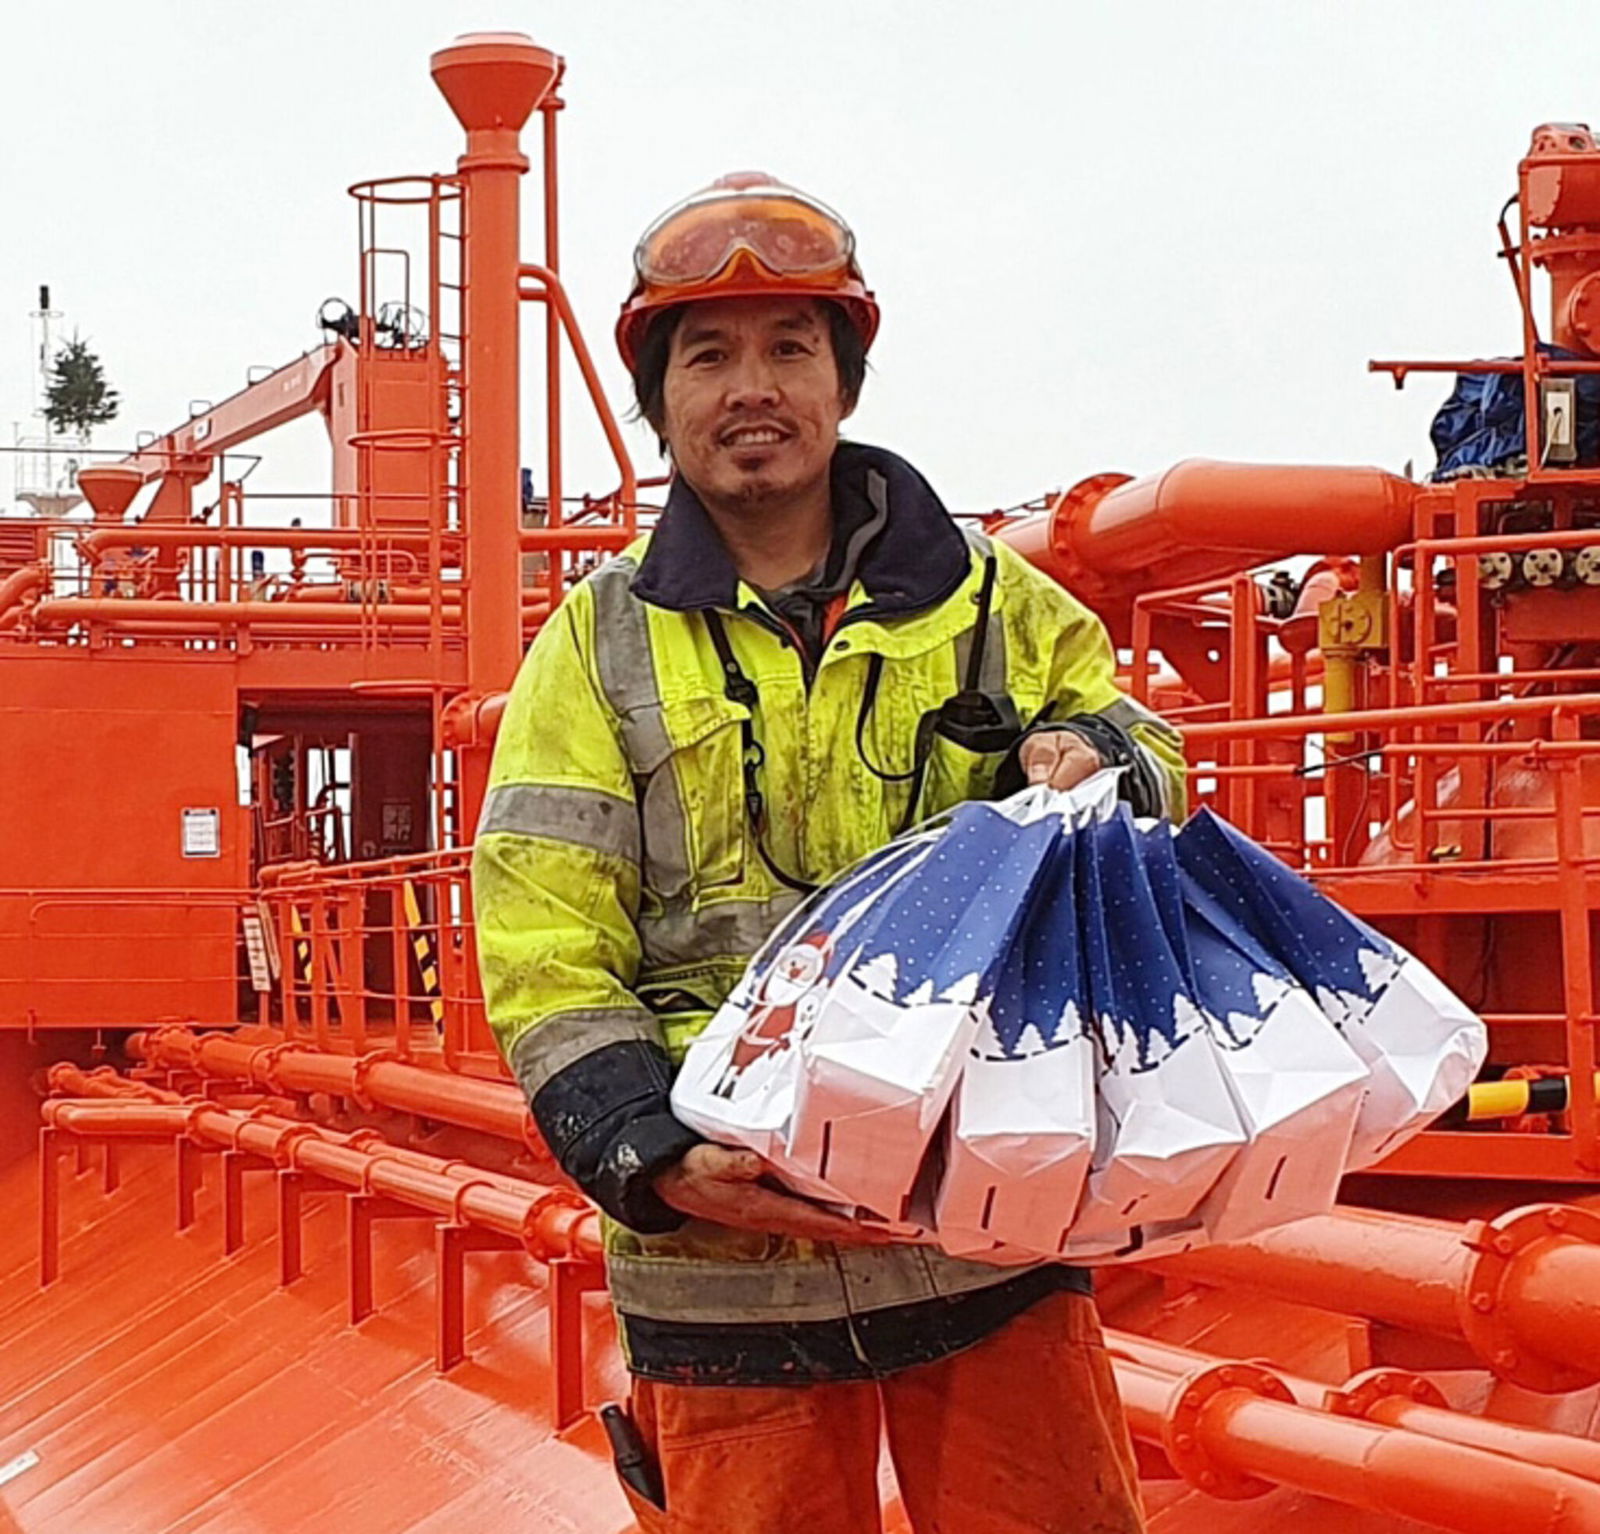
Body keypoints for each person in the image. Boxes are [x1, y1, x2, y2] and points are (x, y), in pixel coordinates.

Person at [473, 171, 1186, 1534]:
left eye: (791, 346)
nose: (753, 387)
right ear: (661, 398)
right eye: (710, 353)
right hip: (723, 1257)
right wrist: (647, 1145)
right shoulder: (595, 645)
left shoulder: (989, 604)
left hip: (979, 1227)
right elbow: (542, 937)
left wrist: (1109, 753)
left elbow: (1148, 741)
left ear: (844, 379)